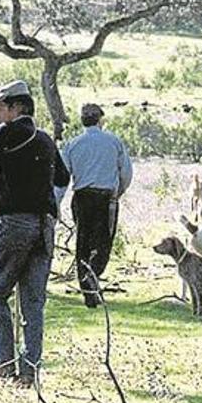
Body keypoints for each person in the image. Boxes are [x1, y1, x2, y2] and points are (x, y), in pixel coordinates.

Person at [0, 80, 70, 387]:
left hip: (14, 224)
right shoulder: (44, 140)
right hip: (44, 227)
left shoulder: (4, 133)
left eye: (0, 108)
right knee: (33, 302)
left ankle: (3, 363)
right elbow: (63, 177)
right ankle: (29, 371)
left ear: (15, 108)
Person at [61, 103, 133, 307]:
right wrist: (118, 192)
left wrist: (56, 203)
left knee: (82, 242)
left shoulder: (73, 144)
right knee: (103, 242)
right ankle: (92, 276)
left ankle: (88, 289)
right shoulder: (113, 142)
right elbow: (126, 172)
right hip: (105, 199)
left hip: (81, 198)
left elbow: (62, 177)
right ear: (101, 119)